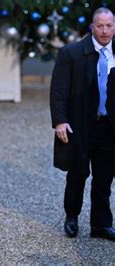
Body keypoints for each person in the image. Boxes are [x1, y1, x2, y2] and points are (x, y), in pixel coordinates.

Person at [50, 7, 115, 241]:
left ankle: (101, 224)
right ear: (92, 27)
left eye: (109, 25)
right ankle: (72, 217)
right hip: (80, 125)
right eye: (100, 25)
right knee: (77, 174)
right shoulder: (72, 53)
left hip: (109, 127)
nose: (105, 30)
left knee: (104, 178)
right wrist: (60, 121)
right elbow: (58, 90)